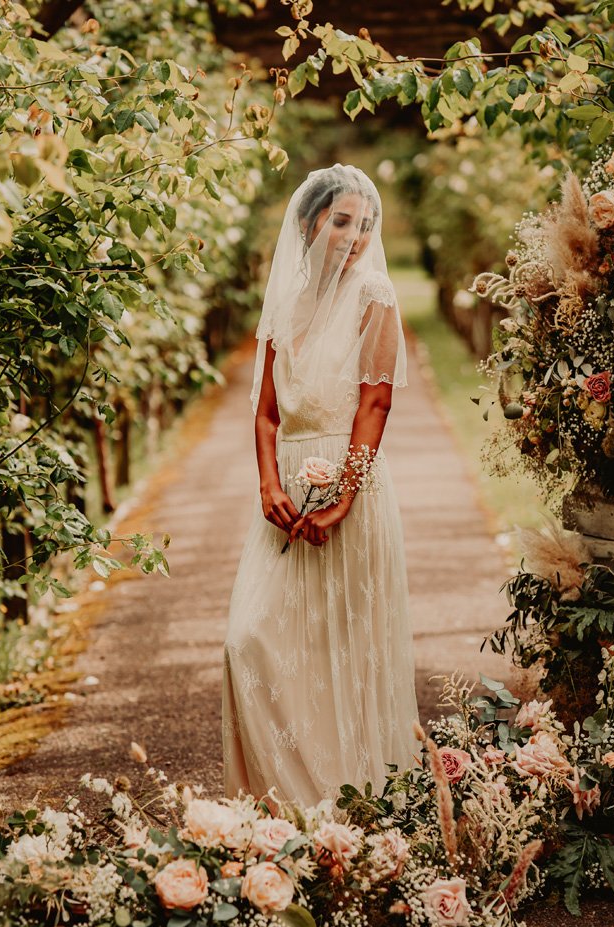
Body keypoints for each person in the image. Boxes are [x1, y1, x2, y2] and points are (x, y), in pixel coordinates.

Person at [222, 163, 420, 807]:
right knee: (248, 638)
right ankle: (289, 805)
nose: (356, 236)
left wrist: (343, 498)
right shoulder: (284, 301)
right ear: (311, 224)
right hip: (284, 496)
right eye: (342, 222)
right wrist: (268, 485)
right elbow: (265, 410)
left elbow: (376, 404)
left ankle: (353, 802)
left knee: (344, 645)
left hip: (350, 487)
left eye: (365, 225)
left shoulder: (376, 295)